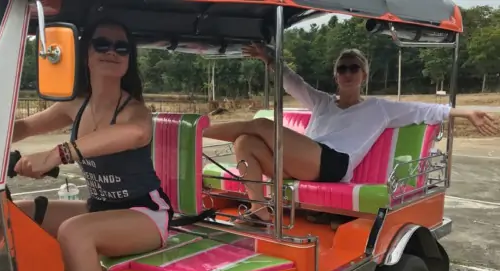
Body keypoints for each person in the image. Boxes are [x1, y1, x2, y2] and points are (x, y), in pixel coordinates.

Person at [204, 43, 498, 223]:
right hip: (305, 160)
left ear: (363, 75)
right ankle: (259, 209)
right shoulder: (321, 101)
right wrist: (269, 59)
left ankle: (196, 132)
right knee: (245, 142)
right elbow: (291, 80)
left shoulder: (379, 109)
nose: (347, 73)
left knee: (262, 126)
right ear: (335, 75)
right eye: (342, 68)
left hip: (334, 164)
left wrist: (466, 111)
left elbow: (426, 110)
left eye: (353, 68)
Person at [11, 20, 173, 271]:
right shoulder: (76, 106)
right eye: (102, 44)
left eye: (121, 48)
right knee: (17, 214)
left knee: (74, 231)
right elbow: (26, 127)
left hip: (146, 214)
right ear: (86, 54)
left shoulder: (134, 111)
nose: (112, 52)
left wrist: (57, 154)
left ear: (129, 60)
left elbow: (136, 133)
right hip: (99, 208)